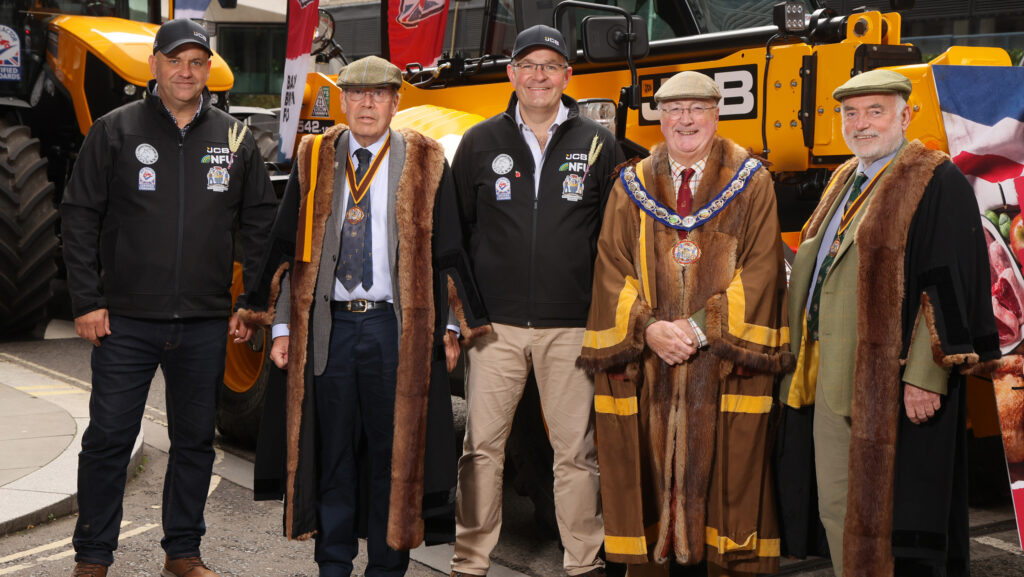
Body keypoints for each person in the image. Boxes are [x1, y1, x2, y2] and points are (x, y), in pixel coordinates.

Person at [237, 55, 490, 577]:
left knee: (393, 458)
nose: (367, 103)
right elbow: (289, 250)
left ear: (397, 102)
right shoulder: (314, 157)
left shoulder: (425, 160)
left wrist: (447, 327)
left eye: (379, 94)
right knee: (332, 454)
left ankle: (386, 567)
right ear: (344, 101)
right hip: (329, 329)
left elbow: (447, 252)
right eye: (357, 94)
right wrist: (282, 324)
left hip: (393, 330)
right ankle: (333, 565)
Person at [60, 18, 278, 577]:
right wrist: (86, 300)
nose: (186, 71)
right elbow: (80, 215)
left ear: (209, 69)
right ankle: (93, 556)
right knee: (109, 436)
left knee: (195, 443)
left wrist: (252, 303)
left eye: (197, 62)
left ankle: (182, 552)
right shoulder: (114, 131)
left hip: (205, 322)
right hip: (126, 320)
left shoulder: (234, 138)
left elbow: (257, 223)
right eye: (176, 60)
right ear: (154, 65)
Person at [777, 69, 1000, 577]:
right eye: (851, 113)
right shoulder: (845, 178)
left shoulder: (933, 178)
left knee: (899, 517)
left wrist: (925, 374)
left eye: (875, 111)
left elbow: (946, 280)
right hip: (831, 377)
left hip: (893, 380)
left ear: (906, 114)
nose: (861, 123)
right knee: (839, 507)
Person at [577, 70, 791, 576]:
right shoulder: (631, 185)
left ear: (717, 114)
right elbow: (611, 267)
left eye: (698, 108)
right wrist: (647, 328)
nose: (686, 119)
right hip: (651, 365)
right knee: (647, 488)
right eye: (674, 109)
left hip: (719, 366)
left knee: (731, 488)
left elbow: (762, 270)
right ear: (660, 117)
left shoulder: (751, 182)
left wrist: (699, 330)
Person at [448, 24, 620, 577]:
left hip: (571, 326)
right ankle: (470, 560)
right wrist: (464, 317)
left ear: (568, 75)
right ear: (511, 74)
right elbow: (456, 237)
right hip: (494, 329)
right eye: (528, 65)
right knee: (482, 450)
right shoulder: (479, 142)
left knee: (576, 453)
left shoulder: (597, 142)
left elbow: (611, 237)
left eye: (550, 66)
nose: (539, 75)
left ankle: (583, 559)